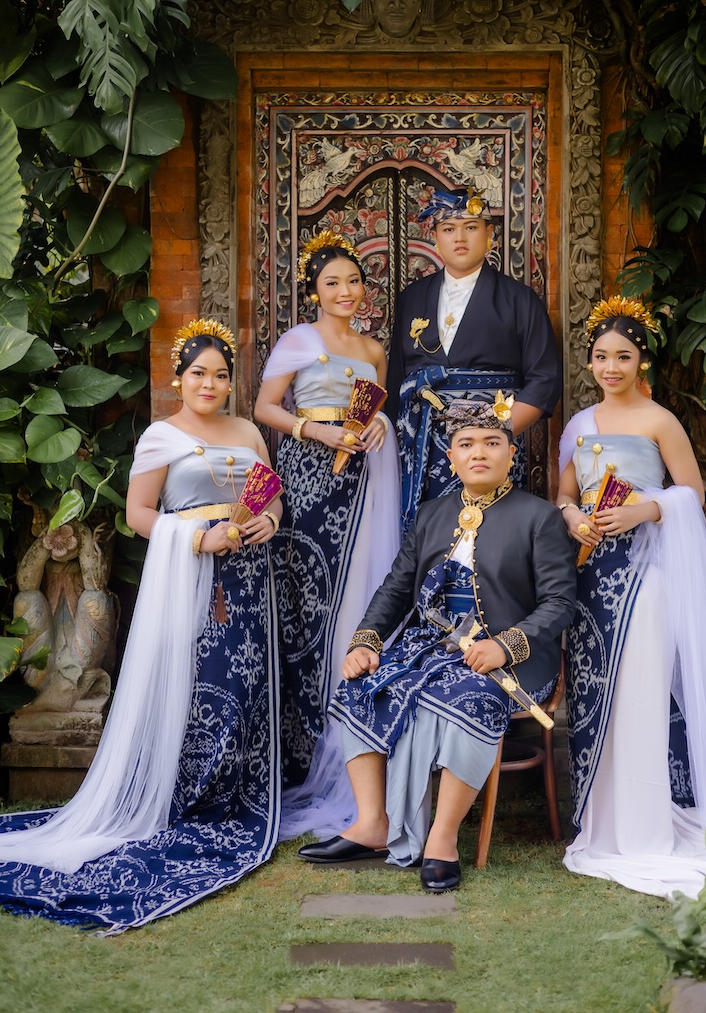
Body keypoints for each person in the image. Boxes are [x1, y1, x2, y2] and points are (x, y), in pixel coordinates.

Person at [0, 318, 283, 932]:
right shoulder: (161, 436)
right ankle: (184, 798)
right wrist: (197, 539)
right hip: (189, 575)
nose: (209, 384)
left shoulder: (249, 431)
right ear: (179, 379)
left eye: (220, 375)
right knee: (195, 684)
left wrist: (270, 521)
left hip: (249, 578)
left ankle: (234, 797)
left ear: (231, 382)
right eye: (198, 373)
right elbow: (142, 514)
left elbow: (269, 493)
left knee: (244, 683)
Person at [298, 396, 576, 891]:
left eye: (492, 443)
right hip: (432, 648)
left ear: (511, 454)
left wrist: (505, 645)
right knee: (362, 685)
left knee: (466, 698)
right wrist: (365, 642)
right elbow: (395, 588)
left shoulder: (539, 517)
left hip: (513, 661)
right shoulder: (431, 514)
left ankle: (442, 839)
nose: (479, 453)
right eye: (466, 444)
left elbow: (559, 603)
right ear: (450, 457)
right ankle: (372, 824)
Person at [557, 296, 706, 899]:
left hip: (645, 576)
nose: (610, 367)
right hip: (591, 578)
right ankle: (600, 817)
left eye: (622, 357)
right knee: (597, 691)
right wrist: (574, 515)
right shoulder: (578, 425)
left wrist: (641, 510)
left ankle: (646, 825)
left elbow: (693, 494)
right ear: (589, 362)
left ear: (642, 362)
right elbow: (563, 492)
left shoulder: (660, 421)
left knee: (642, 693)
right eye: (601, 356)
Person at [254, 228, 400, 837]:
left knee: (358, 589)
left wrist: (378, 425)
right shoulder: (298, 340)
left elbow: (377, 406)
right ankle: (304, 746)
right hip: (308, 476)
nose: (346, 291)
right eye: (332, 282)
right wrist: (317, 431)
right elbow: (264, 408)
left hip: (361, 479)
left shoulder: (373, 349)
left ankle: (355, 747)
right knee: (311, 603)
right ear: (314, 291)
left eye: (354, 281)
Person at [386, 189, 562, 532]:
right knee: (429, 533)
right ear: (435, 238)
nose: (460, 237)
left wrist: (494, 435)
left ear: (489, 234)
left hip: (493, 444)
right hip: (425, 446)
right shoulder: (412, 298)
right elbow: (398, 379)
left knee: (491, 535)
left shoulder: (519, 299)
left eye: (470, 227)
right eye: (448, 229)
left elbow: (543, 380)